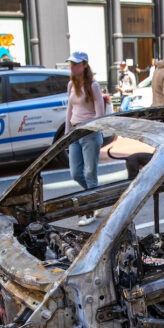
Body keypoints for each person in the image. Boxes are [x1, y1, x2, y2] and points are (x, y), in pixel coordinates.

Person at [65, 51, 105, 226]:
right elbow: (69, 110)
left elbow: (100, 111)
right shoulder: (70, 85)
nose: (72, 67)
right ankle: (97, 197)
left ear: (85, 65)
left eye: (76, 64)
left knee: (90, 173)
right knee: (76, 173)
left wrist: (98, 129)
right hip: (75, 133)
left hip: (89, 133)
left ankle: (90, 210)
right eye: (71, 64)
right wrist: (67, 133)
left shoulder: (93, 86)